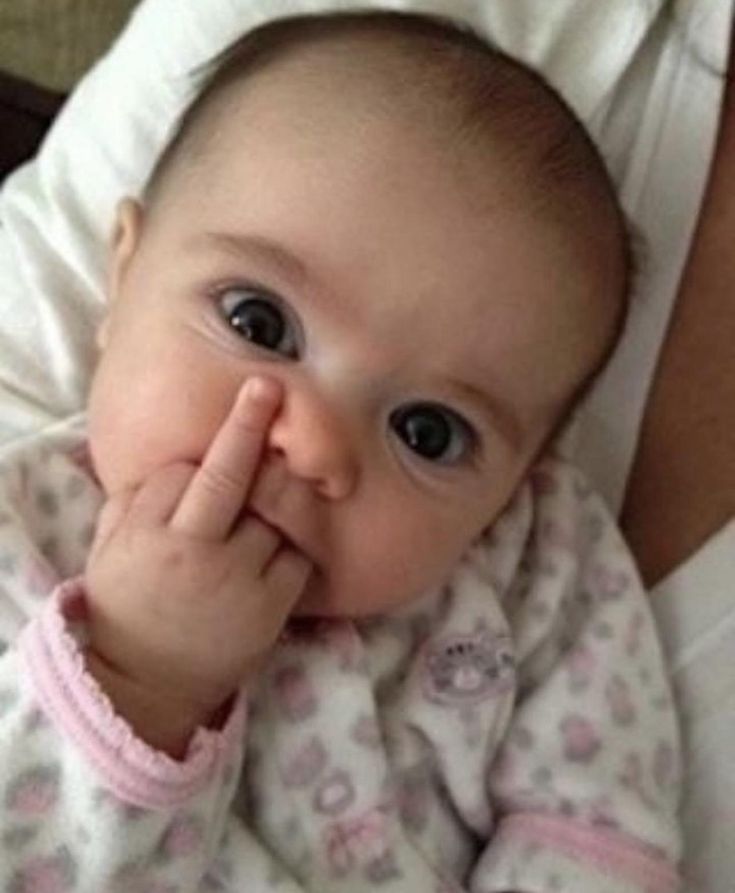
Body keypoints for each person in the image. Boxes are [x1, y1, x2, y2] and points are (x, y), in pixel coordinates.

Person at [0, 10, 681, 892]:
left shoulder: (537, 558)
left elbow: (599, 825)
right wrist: (137, 675)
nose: (311, 442)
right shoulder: (22, 530)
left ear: (521, 477)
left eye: (427, 431)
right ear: (122, 278)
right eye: (258, 321)